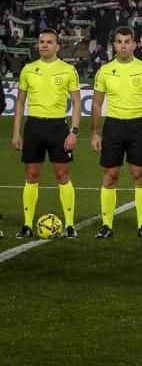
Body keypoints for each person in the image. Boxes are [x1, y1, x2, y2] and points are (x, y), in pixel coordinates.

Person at [11, 29, 81, 239]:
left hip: (58, 128)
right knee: (31, 176)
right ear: (37, 45)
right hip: (33, 127)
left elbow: (77, 103)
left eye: (49, 42)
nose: (44, 45)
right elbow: (20, 102)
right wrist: (16, 132)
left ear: (58, 46)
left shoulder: (68, 70)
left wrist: (73, 132)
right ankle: (26, 225)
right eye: (41, 42)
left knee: (63, 176)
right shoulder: (28, 69)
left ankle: (69, 225)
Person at [91, 27, 142, 239]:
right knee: (110, 176)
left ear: (134, 44)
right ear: (114, 44)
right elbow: (96, 103)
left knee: (139, 176)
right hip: (112, 127)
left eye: (127, 41)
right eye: (119, 41)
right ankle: (106, 225)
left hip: (137, 126)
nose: (123, 45)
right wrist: (95, 132)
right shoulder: (104, 71)